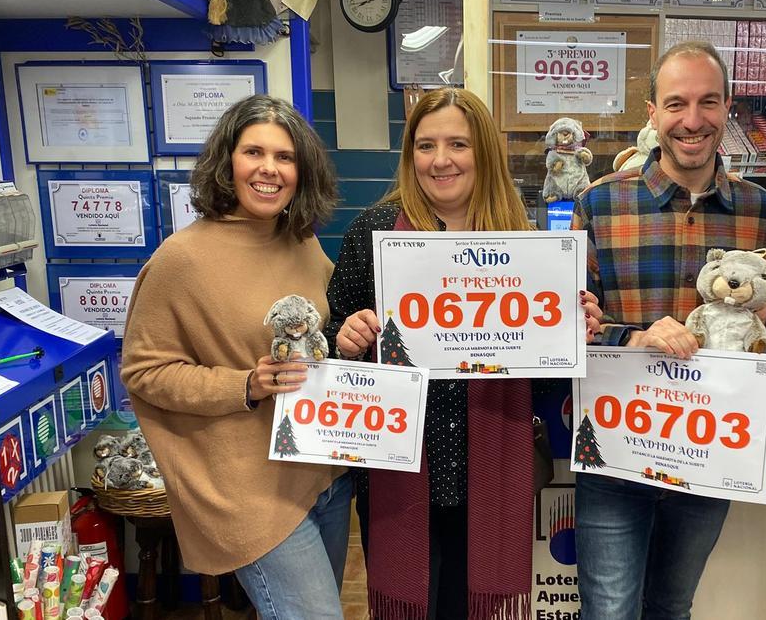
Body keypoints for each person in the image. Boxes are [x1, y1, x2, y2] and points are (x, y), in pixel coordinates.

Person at [324, 87, 603, 620]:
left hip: (489, 466)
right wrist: (348, 335)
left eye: (458, 143)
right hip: (400, 467)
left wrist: (572, 333)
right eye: (425, 146)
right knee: (409, 601)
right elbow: (337, 336)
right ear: (411, 157)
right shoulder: (375, 231)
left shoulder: (521, 242)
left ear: (484, 155)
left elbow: (543, 381)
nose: (441, 160)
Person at [571, 41, 766, 619]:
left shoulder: (763, 213)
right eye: (675, 104)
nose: (692, 120)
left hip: (710, 454)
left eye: (707, 103)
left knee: (671, 607)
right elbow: (567, 326)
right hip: (616, 448)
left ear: (728, 109)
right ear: (652, 111)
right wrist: (633, 337)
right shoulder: (599, 205)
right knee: (609, 610)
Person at [121, 95, 351, 620]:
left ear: (302, 171)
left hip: (323, 475)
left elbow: (325, 330)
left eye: (285, 157)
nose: (269, 169)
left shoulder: (300, 243)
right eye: (254, 152)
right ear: (228, 161)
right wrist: (244, 385)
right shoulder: (180, 259)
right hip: (248, 490)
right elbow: (145, 371)